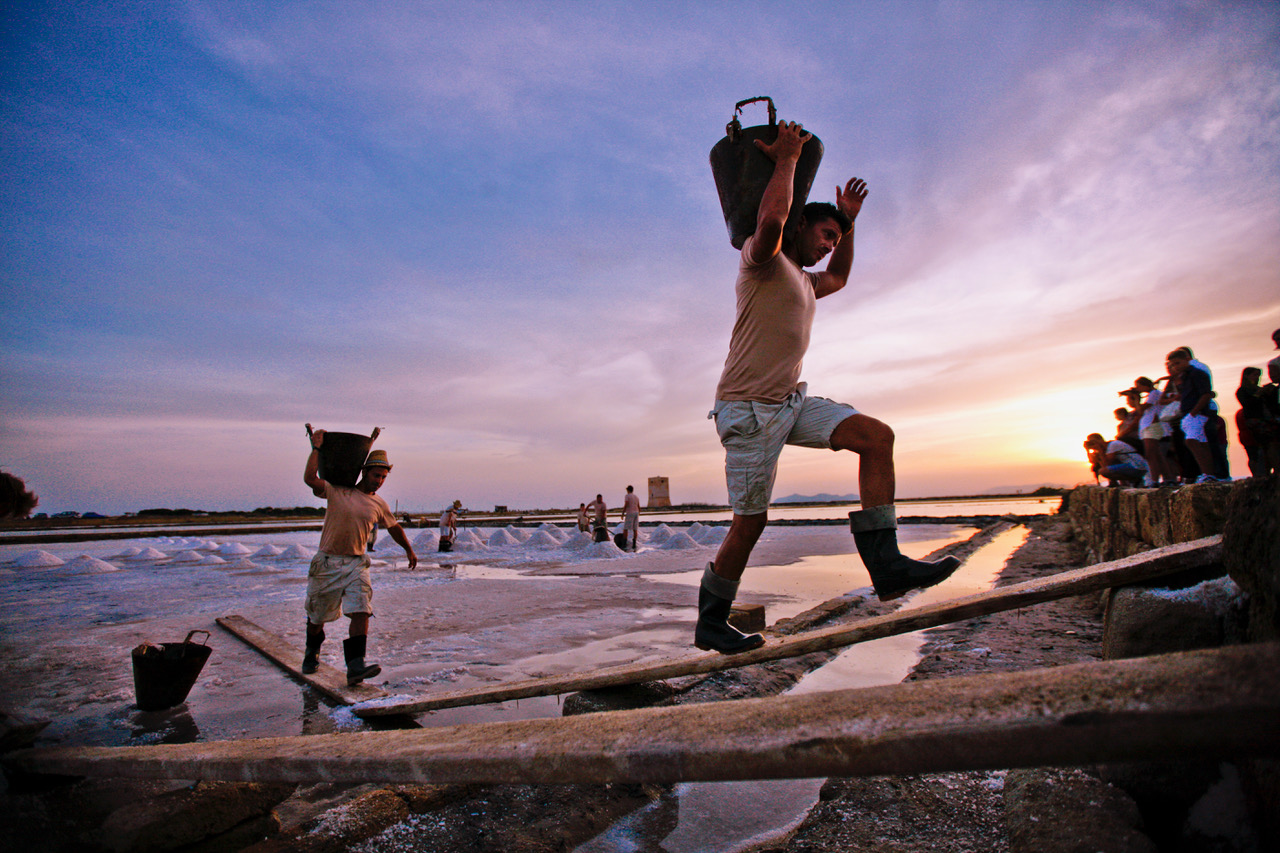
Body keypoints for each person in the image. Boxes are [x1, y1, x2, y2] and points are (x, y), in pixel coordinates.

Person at [700, 119, 959, 655]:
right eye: (824, 235)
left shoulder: (806, 281)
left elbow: (840, 277)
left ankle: (886, 565)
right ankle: (711, 621)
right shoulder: (762, 261)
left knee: (876, 436)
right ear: (800, 225)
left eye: (834, 240)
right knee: (750, 524)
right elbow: (771, 220)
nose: (828, 246)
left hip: (789, 404)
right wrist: (787, 160)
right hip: (747, 411)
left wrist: (850, 224)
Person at [303, 431, 417, 684]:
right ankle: (312, 650)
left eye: (384, 477)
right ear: (364, 472)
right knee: (317, 617)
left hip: (357, 563)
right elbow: (310, 478)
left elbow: (394, 527)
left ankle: (356, 665)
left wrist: (408, 549)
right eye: (376, 475)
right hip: (328, 563)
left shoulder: (379, 504)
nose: (380, 481)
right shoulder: (337, 491)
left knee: (361, 610)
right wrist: (317, 448)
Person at [1166, 349, 1220, 483]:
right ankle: (1208, 474)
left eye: (1177, 363)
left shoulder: (1197, 374)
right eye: (1173, 365)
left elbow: (1206, 394)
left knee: (1192, 441)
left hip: (1197, 413)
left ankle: (1208, 473)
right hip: (1189, 413)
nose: (1175, 367)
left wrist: (1193, 413)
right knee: (1201, 443)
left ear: (1187, 360)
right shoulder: (1185, 377)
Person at [1130, 377, 1176, 486]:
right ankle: (1167, 479)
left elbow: (1140, 410)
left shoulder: (1154, 393)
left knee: (1151, 455)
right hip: (1151, 425)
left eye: (1138, 386)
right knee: (1158, 454)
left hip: (1152, 425)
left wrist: (1136, 399)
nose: (1138, 389)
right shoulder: (1154, 394)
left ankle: (1155, 480)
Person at [1084, 433, 1149, 486]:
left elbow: (1107, 464)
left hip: (1137, 466)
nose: (1093, 444)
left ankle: (1134, 479)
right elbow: (1092, 461)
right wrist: (1088, 450)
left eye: (1093, 442)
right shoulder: (1105, 448)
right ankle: (1115, 483)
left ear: (1100, 439)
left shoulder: (1113, 445)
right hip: (1134, 466)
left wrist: (1100, 451)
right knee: (1103, 468)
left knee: (1103, 471)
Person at [621, 485, 641, 551]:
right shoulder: (636, 497)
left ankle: (624, 544)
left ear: (628, 490)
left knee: (625, 528)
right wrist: (639, 512)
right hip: (636, 512)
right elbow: (638, 506)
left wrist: (623, 513)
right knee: (635, 529)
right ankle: (634, 544)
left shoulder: (627, 496)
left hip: (630, 512)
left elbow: (626, 504)